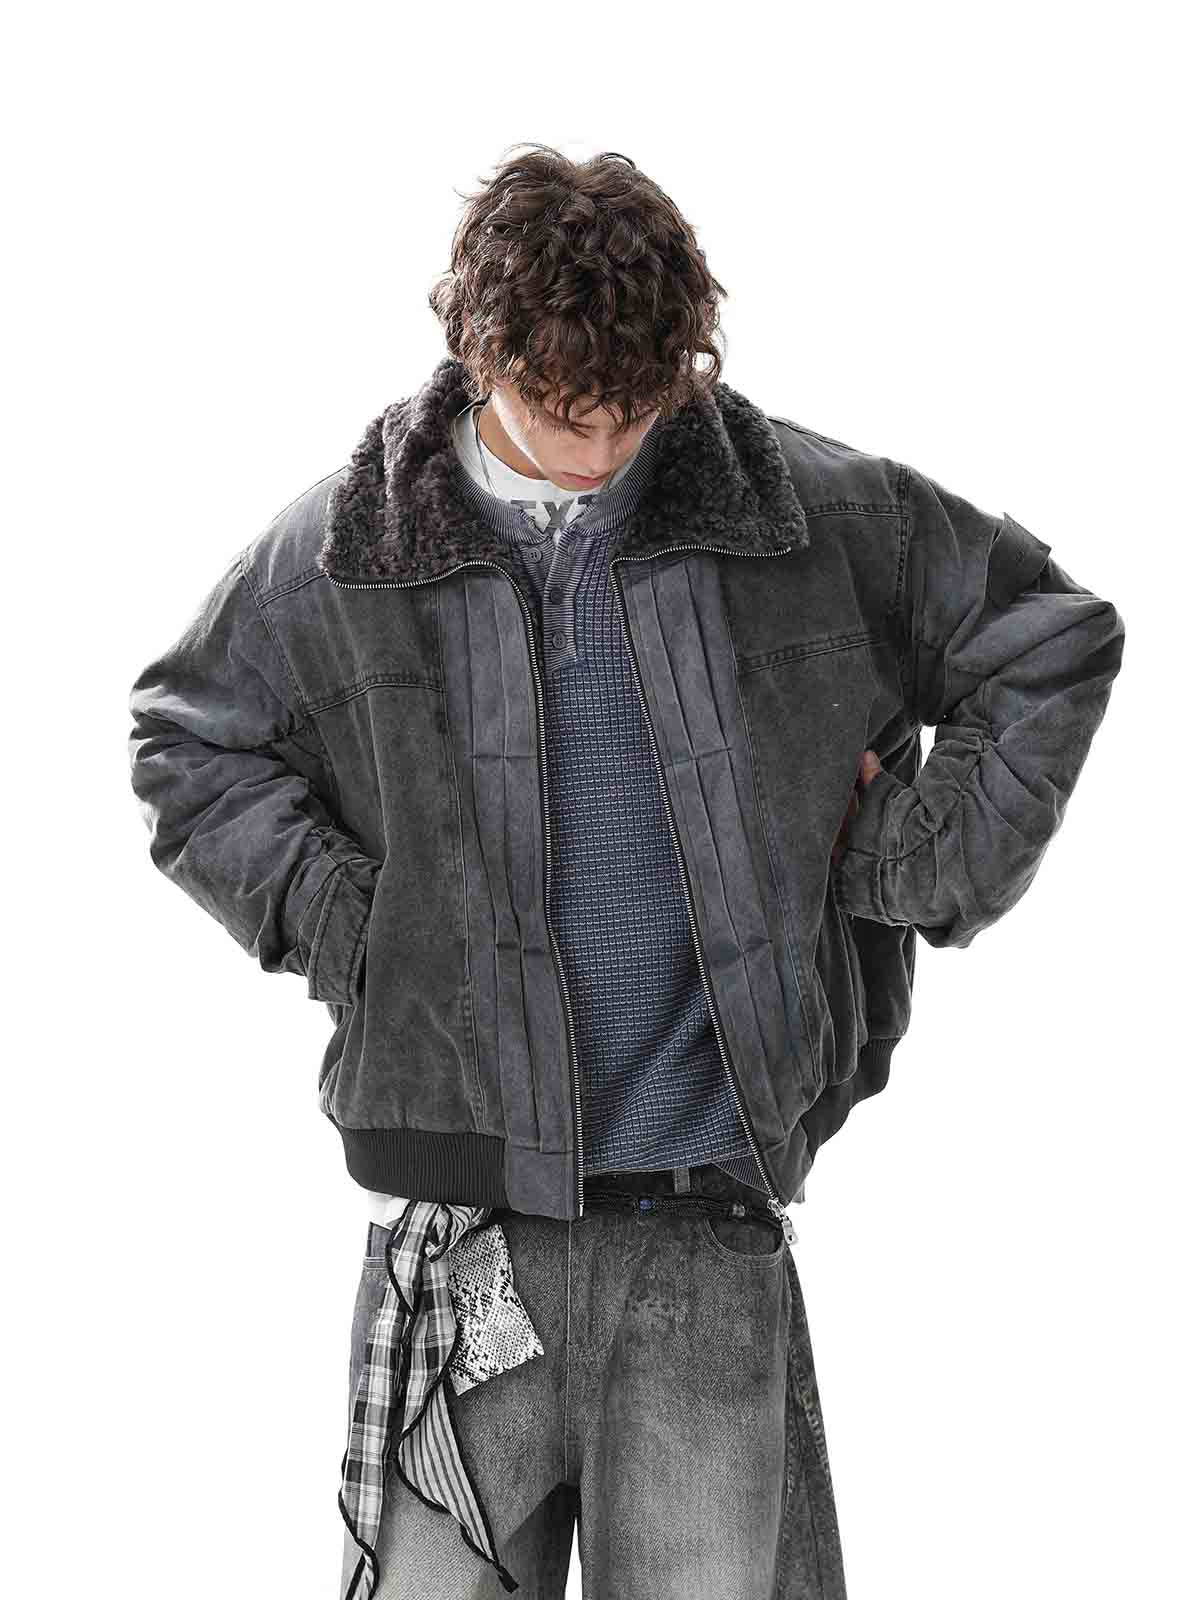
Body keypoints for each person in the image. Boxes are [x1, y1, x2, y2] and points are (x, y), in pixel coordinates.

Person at [126, 142, 1125, 1600]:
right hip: (460, 1247)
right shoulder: (355, 545)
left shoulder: (809, 513)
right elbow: (186, 739)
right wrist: (364, 928)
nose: (600, 452)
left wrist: (903, 859)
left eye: (635, 413)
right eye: (560, 413)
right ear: (481, 357)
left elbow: (1051, 640)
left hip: (704, 1227)